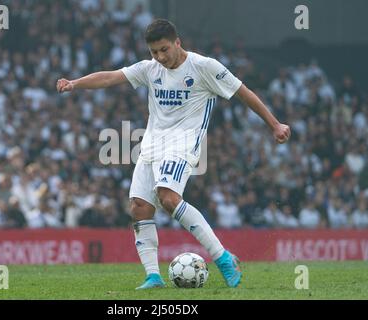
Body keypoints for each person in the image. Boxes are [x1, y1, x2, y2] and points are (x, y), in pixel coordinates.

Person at [57, 19, 291, 289]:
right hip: (152, 144)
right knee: (140, 207)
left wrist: (274, 124)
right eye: (154, 51)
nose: (160, 57)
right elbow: (111, 76)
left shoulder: (205, 67)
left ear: (178, 42)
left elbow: (243, 92)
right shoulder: (151, 69)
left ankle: (224, 258)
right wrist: (74, 83)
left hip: (183, 143)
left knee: (168, 197)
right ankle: (153, 276)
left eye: (164, 49)